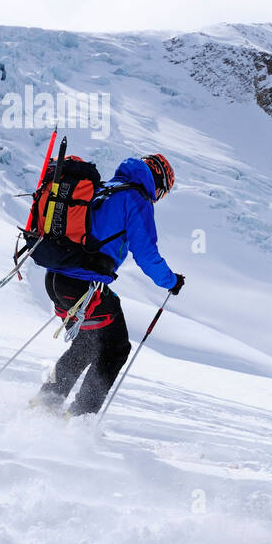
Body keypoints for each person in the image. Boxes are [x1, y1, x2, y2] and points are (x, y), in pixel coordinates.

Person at [33, 154, 184, 415]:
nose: (158, 197)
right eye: (161, 192)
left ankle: (45, 403)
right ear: (157, 182)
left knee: (87, 344)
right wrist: (171, 281)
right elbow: (146, 255)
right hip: (82, 287)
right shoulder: (137, 198)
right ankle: (79, 417)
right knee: (116, 347)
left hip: (55, 279)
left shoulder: (102, 189)